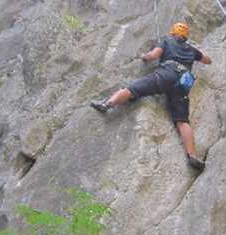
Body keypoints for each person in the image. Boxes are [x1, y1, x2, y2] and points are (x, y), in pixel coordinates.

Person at [90, 22, 212, 171]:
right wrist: (195, 55)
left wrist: (144, 56)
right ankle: (192, 156)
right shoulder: (191, 49)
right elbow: (208, 60)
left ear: (173, 32)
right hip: (182, 84)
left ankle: (107, 104)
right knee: (182, 121)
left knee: (132, 89)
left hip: (166, 74)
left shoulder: (167, 40)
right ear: (185, 36)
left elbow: (153, 55)